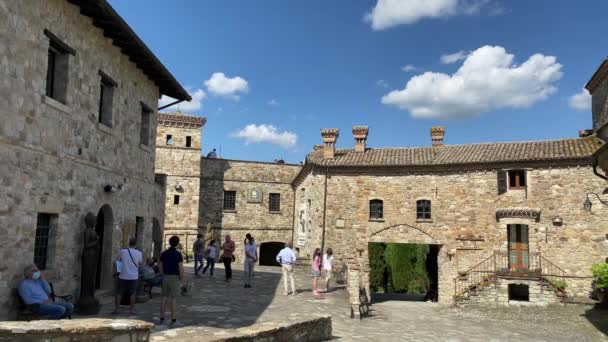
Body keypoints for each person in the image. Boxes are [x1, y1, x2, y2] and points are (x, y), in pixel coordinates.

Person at [159, 235, 184, 326]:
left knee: (164, 297)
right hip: (174, 277)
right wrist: (181, 278)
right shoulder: (178, 254)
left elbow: (160, 266)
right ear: (177, 243)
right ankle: (173, 319)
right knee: (173, 298)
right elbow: (180, 267)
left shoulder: (164, 253)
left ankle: (162, 318)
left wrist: (163, 274)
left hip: (165, 276)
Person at [113, 237, 142, 315]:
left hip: (123, 275)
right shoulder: (139, 253)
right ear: (136, 244)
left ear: (129, 243)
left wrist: (119, 271)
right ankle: (131, 310)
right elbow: (139, 264)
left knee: (119, 293)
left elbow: (118, 262)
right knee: (132, 293)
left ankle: (117, 309)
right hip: (134, 276)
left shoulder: (122, 251)